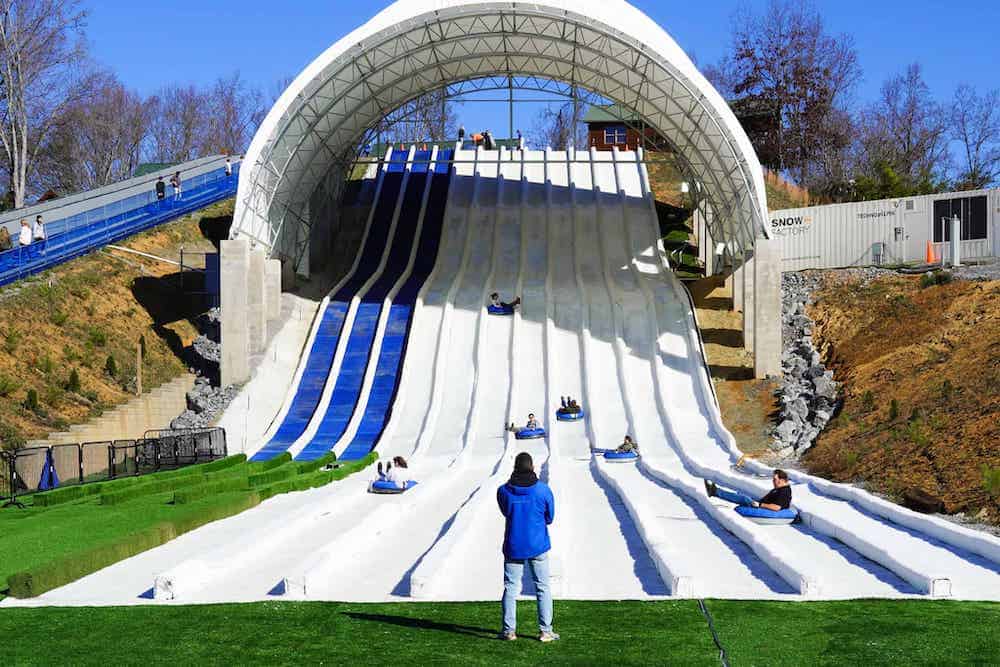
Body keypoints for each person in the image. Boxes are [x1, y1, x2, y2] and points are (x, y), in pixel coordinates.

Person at [496, 452, 558, 642]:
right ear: (532, 467)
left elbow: (506, 511)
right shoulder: (543, 490)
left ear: (515, 467)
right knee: (542, 587)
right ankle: (545, 631)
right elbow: (550, 517)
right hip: (537, 544)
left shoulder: (503, 491)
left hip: (514, 544)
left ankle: (509, 631)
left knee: (510, 588)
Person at [704, 469, 792, 511]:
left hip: (763, 508)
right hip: (760, 504)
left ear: (782, 480)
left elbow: (777, 507)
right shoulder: (778, 489)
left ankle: (715, 492)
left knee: (744, 499)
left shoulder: (784, 492)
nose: (773, 482)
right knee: (741, 494)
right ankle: (716, 491)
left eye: (775, 480)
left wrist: (759, 504)